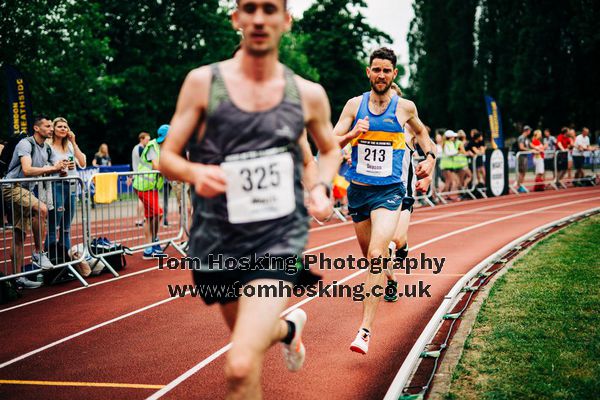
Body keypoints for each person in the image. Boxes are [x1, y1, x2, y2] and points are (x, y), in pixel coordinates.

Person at [158, 1, 341, 398]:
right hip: (218, 240)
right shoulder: (202, 83)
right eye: (250, 8)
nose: (259, 18)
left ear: (286, 21)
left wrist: (320, 188)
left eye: (270, 9)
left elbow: (328, 150)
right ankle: (289, 328)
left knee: (239, 367)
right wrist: (195, 172)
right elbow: (166, 156)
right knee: (250, 344)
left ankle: (283, 328)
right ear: (236, 18)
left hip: (277, 238)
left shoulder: (307, 95)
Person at [334, 47, 434, 355]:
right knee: (371, 258)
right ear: (368, 72)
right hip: (359, 192)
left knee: (378, 253)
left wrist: (430, 160)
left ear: (394, 74)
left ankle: (364, 331)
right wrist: (353, 133)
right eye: (376, 70)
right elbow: (330, 140)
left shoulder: (405, 107)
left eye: (386, 71)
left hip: (389, 192)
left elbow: (423, 136)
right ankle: (389, 278)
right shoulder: (354, 105)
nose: (381, 75)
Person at [2, 115, 69, 287]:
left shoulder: (47, 148)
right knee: (42, 209)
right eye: (47, 126)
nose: (51, 129)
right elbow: (27, 170)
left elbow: (57, 169)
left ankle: (17, 279)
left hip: (26, 190)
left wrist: (62, 169)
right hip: (12, 187)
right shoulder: (26, 143)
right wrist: (53, 168)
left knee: (19, 235)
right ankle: (39, 252)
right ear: (36, 128)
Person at [45, 117, 87, 252]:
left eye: (65, 127)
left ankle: (66, 260)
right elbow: (42, 167)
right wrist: (57, 169)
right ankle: (51, 259)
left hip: (72, 186)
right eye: (60, 126)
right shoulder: (48, 146)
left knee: (66, 228)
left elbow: (82, 163)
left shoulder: (69, 145)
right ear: (54, 129)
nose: (63, 129)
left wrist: (74, 142)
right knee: (54, 226)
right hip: (56, 185)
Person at [133, 125, 169, 259]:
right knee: (158, 213)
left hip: (150, 186)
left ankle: (149, 248)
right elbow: (155, 165)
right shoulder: (153, 146)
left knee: (150, 217)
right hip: (143, 185)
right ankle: (153, 242)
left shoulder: (163, 148)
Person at [130, 132, 151, 226]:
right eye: (147, 139)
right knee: (141, 199)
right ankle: (140, 219)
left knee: (141, 199)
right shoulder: (141, 148)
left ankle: (140, 219)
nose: (149, 141)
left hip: (137, 176)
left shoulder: (135, 148)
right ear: (141, 139)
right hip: (141, 177)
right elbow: (147, 161)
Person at [516, 125, 532, 193]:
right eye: (529, 130)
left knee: (523, 172)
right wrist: (530, 150)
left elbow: (531, 145)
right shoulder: (521, 138)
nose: (530, 132)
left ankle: (521, 185)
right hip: (521, 157)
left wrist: (537, 148)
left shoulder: (526, 138)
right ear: (526, 130)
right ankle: (519, 186)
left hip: (524, 156)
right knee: (522, 172)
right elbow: (521, 147)